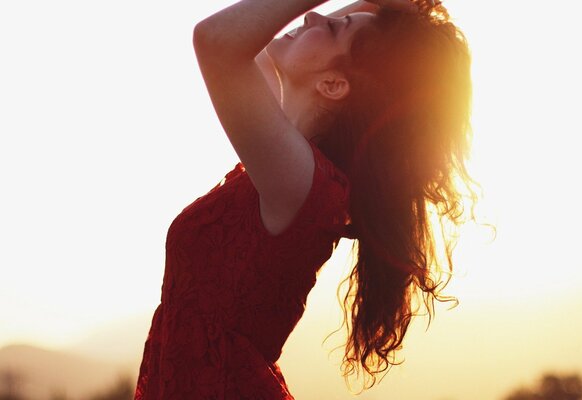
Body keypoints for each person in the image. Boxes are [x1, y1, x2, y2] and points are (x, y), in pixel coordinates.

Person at [134, 0, 476, 398]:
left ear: (333, 85)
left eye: (333, 27)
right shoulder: (290, 167)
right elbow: (256, 38)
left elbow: (219, 39)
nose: (315, 16)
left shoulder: (305, 184)